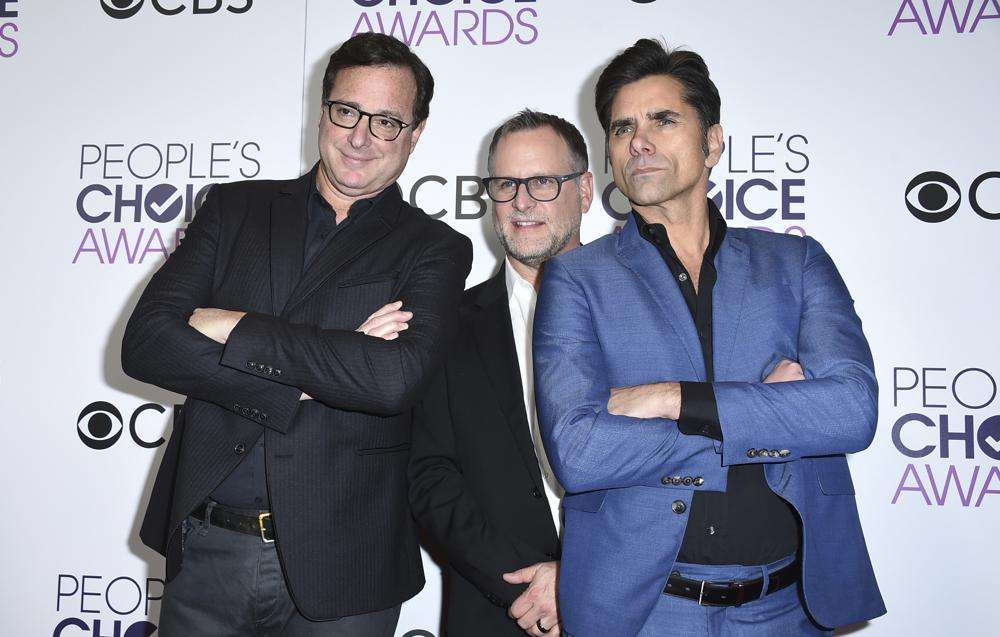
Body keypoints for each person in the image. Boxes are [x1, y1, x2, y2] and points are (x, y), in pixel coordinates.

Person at [121, 32, 472, 636]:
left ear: (415, 135)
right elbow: (148, 343)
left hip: (347, 569)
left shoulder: (435, 249)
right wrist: (322, 372)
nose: (361, 137)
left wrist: (232, 327)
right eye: (347, 112)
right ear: (323, 110)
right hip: (206, 551)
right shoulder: (233, 211)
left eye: (387, 122)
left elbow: (390, 381)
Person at [532, 38, 885, 636]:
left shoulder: (795, 263)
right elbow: (580, 452)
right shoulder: (576, 278)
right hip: (646, 612)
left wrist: (676, 399)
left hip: (787, 608)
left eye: (663, 120)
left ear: (713, 141)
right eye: (621, 129)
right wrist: (771, 418)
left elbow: (853, 411)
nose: (637, 141)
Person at [408, 110, 593, 637]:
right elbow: (429, 478)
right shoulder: (445, 326)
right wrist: (526, 587)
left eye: (542, 181)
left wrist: (585, 578)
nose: (521, 200)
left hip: (636, 606)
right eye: (506, 184)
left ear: (584, 189)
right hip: (499, 613)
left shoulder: (645, 313)